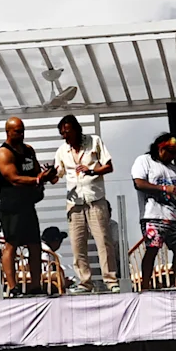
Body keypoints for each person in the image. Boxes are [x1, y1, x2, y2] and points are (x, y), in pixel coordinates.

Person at [54, 118, 119, 294]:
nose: (65, 136)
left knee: (103, 241)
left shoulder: (94, 141)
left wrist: (91, 171)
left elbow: (108, 167)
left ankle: (111, 280)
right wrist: (49, 173)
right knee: (77, 244)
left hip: (95, 198)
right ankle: (84, 282)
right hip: (74, 202)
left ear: (76, 129)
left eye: (67, 131)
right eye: (62, 133)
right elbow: (56, 175)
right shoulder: (62, 150)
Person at [0, 116, 55, 294]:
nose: (21, 134)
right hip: (11, 204)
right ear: (8, 132)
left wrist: (46, 176)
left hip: (28, 204)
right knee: (11, 244)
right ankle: (13, 287)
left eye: (22, 130)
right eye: (17, 131)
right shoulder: (3, 153)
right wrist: (36, 179)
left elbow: (36, 170)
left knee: (34, 244)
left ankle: (36, 285)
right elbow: (13, 178)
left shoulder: (28, 150)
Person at [130, 131, 176, 291]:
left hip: (173, 217)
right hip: (153, 215)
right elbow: (139, 183)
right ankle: (145, 286)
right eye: (170, 152)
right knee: (152, 248)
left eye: (175, 153)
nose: (172, 156)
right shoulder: (144, 161)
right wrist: (163, 188)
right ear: (160, 148)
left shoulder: (172, 168)